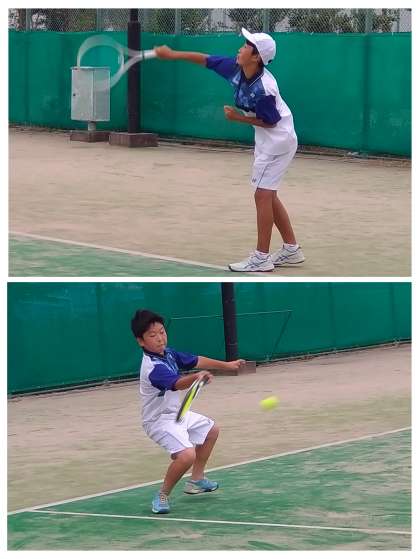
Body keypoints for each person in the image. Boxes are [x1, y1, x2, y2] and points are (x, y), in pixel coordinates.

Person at [154, 28, 305, 272]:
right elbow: (206, 60)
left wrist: (238, 118)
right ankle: (291, 249)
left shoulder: (264, 89)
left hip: (278, 140)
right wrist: (173, 55)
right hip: (269, 140)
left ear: (256, 57)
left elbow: (271, 121)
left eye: (246, 46)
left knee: (262, 195)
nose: (240, 48)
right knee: (268, 195)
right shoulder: (235, 68)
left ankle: (261, 258)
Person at [131, 308, 245, 513]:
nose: (160, 338)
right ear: (141, 341)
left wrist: (228, 366)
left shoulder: (169, 354)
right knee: (186, 455)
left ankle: (196, 480)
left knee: (211, 430)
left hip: (177, 414)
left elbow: (197, 360)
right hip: (158, 421)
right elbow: (177, 384)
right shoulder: (152, 367)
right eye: (152, 335)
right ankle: (162, 495)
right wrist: (196, 378)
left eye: (162, 332)